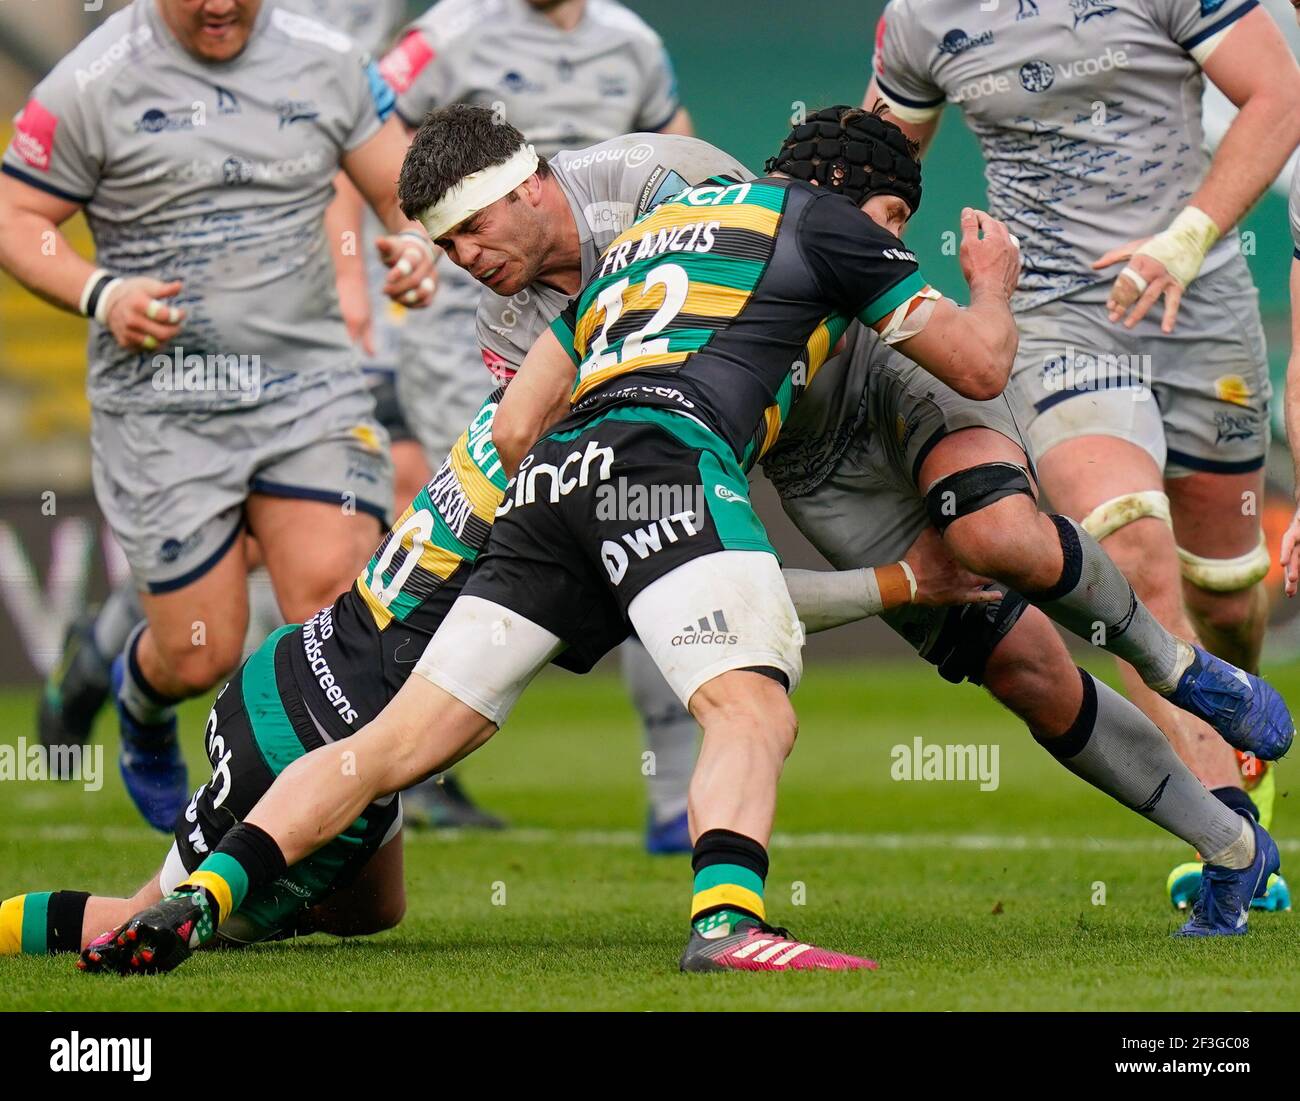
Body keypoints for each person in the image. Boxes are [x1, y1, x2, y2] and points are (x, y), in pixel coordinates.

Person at [82, 109, 1283, 977]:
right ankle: (1224, 842)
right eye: (441, 246)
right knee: (973, 672)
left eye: (471, 230)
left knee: (1007, 533)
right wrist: (884, 562)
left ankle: (1191, 676)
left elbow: (523, 428)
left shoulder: (669, 192)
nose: (464, 262)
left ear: (537, 184)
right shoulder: (601, 279)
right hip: (754, 451)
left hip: (835, 398)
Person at [866, 0, 1300, 905]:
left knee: (1226, 595)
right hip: (1057, 320)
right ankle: (1232, 837)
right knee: (1127, 545)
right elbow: (873, 170)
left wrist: (1187, 240)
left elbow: (1280, 91)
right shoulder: (918, 17)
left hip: (1200, 298)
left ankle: (1236, 707)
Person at [0, 0, 437, 832]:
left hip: (307, 391)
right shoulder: (91, 82)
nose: (218, 5)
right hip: (166, 410)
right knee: (201, 648)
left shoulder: (328, 59)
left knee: (333, 606)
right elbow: (15, 216)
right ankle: (137, 694)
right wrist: (102, 292)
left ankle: (306, 831)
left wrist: (415, 242)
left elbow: (400, 187)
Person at [366, 0, 697, 837]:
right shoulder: (441, 37)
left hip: (630, 315)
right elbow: (364, 150)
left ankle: (676, 794)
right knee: (480, 534)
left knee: (656, 515)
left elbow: (682, 152)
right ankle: (404, 770)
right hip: (475, 332)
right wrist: (397, 248)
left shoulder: (635, 42)